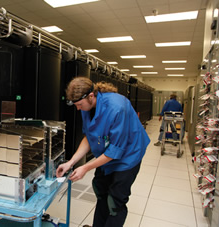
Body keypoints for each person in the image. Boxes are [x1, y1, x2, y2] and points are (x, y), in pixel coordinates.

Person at [56, 77, 150, 227]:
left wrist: (85, 168)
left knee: (115, 201)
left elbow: (114, 151)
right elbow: (89, 136)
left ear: (91, 96)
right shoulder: (87, 107)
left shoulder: (117, 107)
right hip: (107, 153)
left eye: (79, 105)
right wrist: (71, 162)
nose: (78, 109)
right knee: (101, 192)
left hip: (128, 156)